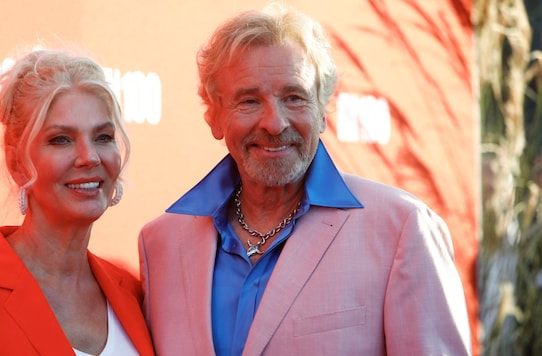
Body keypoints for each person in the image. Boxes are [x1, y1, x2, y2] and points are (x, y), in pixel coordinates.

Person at [138, 3, 471, 355]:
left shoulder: (401, 229)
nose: (274, 123)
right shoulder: (161, 243)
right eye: (249, 101)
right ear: (214, 117)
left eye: (294, 97)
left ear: (322, 111)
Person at [0, 49, 154, 356]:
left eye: (103, 137)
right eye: (61, 139)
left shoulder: (132, 290)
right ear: (17, 164)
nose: (89, 157)